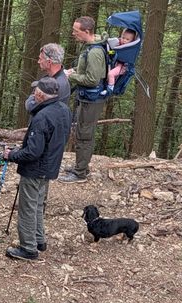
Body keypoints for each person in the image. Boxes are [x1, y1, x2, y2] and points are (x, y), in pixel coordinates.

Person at [4, 77, 72, 260]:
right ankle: (39, 239)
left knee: (28, 207)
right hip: (49, 166)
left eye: (35, 92)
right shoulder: (64, 110)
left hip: (35, 168)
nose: (33, 95)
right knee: (38, 204)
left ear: (40, 94)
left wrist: (11, 155)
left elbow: (33, 152)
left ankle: (28, 248)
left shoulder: (42, 116)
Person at [61, 16, 108, 184]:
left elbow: (92, 79)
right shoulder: (89, 47)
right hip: (87, 97)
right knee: (82, 132)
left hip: (92, 99)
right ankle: (81, 167)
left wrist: (72, 76)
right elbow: (85, 70)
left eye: (76, 31)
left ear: (86, 31)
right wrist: (72, 70)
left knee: (84, 135)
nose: (73, 33)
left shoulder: (95, 52)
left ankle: (80, 173)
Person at [25, 43, 70, 111]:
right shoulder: (52, 77)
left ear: (49, 62)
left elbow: (31, 106)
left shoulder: (57, 85)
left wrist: (32, 96)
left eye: (40, 59)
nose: (38, 62)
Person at [102, 29, 137, 95]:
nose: (124, 40)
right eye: (123, 38)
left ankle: (110, 90)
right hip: (116, 63)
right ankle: (107, 87)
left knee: (111, 74)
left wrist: (110, 52)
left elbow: (117, 53)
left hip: (123, 66)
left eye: (127, 39)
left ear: (132, 41)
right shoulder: (120, 44)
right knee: (107, 75)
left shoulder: (129, 49)